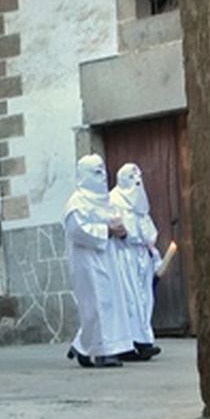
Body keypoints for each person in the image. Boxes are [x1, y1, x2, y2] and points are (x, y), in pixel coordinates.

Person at [63, 154, 133, 368]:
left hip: (108, 258)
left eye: (103, 171)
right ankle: (102, 352)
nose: (102, 177)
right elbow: (77, 230)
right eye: (96, 172)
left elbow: (117, 223)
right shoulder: (76, 202)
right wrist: (106, 231)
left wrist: (121, 231)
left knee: (109, 302)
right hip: (88, 261)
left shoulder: (106, 200)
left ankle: (85, 347)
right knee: (97, 303)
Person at [111, 162, 163, 361]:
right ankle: (130, 342)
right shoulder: (114, 200)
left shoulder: (140, 202)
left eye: (138, 177)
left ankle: (145, 340)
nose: (136, 182)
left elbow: (146, 227)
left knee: (145, 299)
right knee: (130, 299)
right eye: (131, 178)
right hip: (125, 256)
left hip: (142, 256)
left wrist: (153, 253)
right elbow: (119, 229)